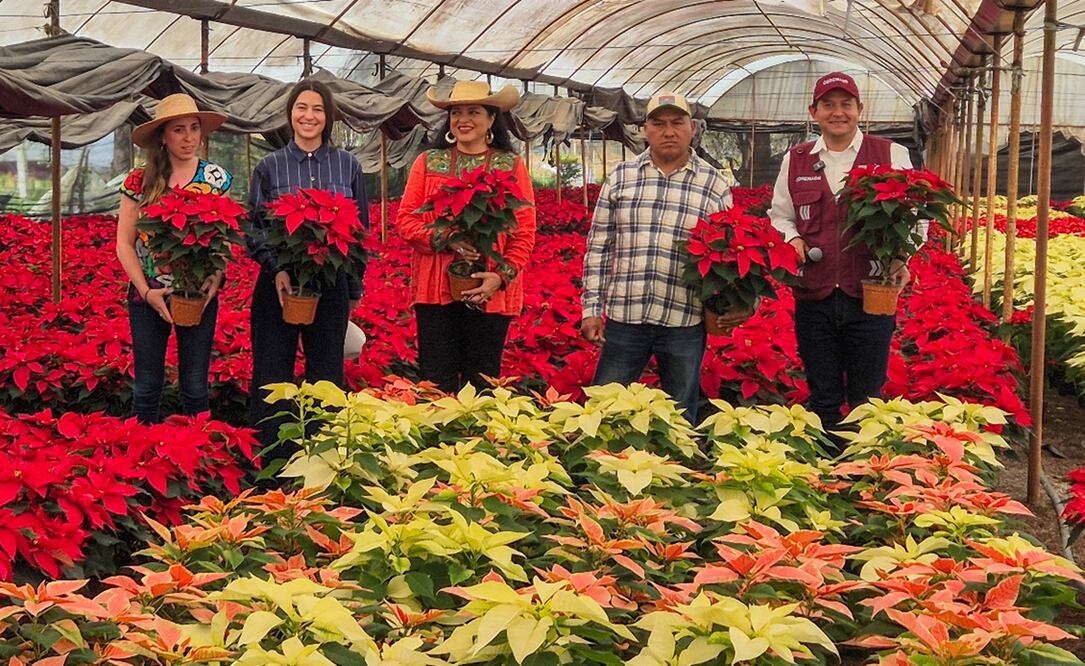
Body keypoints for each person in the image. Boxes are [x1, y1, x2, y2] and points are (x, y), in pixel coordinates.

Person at [768, 72, 917, 436]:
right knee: (823, 396)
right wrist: (792, 239)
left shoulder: (890, 153)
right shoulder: (797, 159)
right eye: (828, 105)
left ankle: (862, 464)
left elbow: (916, 215)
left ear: (859, 109)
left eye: (846, 104)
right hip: (814, 294)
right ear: (814, 112)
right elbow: (780, 216)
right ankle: (828, 463)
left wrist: (903, 256)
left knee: (867, 398)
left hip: (871, 291)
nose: (838, 112)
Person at [580, 93, 733, 424]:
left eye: (677, 123)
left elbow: (729, 257)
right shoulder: (621, 177)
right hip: (625, 317)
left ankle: (681, 458)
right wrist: (591, 309)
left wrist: (736, 305)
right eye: (658, 123)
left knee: (680, 417)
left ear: (693, 128)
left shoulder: (714, 184)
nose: (668, 131)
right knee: (603, 414)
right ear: (644, 130)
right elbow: (599, 247)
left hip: (683, 320)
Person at [245, 79, 368, 447]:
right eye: (301, 108)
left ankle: (323, 452)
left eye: (317, 109)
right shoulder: (270, 166)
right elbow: (254, 226)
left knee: (327, 372)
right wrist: (277, 268)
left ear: (328, 117)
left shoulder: (348, 165)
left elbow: (359, 228)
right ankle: (273, 453)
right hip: (278, 283)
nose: (308, 116)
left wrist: (353, 288)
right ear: (290, 114)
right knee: (271, 370)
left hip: (330, 281)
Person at [396, 80, 536, 393]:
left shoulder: (510, 165)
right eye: (456, 112)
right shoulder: (428, 162)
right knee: (436, 384)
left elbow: (524, 231)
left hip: (490, 290)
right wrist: (448, 239)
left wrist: (500, 277)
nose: (463, 119)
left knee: (483, 383)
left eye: (474, 112)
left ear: (491, 119)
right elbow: (406, 221)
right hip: (434, 291)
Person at [116, 93, 232, 424]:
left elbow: (222, 239)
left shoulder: (215, 179)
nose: (188, 137)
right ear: (163, 136)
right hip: (148, 293)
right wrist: (145, 291)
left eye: (194, 128)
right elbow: (124, 243)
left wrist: (216, 277)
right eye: (178, 129)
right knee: (147, 386)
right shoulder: (139, 180)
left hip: (198, 295)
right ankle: (143, 447)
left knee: (195, 386)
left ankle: (199, 449)